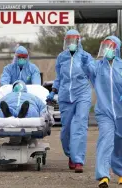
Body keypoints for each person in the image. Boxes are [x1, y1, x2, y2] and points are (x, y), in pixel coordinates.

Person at [81, 36, 122, 188]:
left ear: (116, 49)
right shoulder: (98, 66)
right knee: (105, 141)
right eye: (105, 46)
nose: (107, 49)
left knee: (120, 143)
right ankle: (103, 175)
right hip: (104, 111)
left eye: (110, 46)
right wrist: (85, 61)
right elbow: (88, 69)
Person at [46, 29, 93, 173]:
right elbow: (59, 77)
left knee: (79, 126)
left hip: (82, 94)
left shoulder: (86, 56)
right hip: (65, 95)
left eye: (74, 41)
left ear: (79, 42)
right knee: (66, 130)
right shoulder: (61, 57)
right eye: (69, 41)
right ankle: (71, 155)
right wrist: (53, 90)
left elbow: (93, 74)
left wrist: (88, 65)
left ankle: (78, 160)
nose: (71, 44)